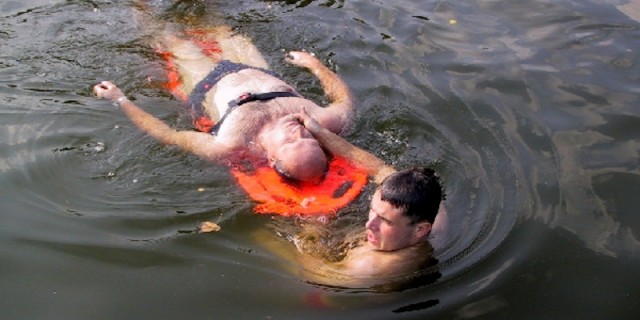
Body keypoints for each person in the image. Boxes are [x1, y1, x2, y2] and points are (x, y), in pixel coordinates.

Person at [93, 27, 354, 184]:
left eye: (289, 143)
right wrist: (314, 65)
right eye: (308, 139)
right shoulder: (321, 122)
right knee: (222, 29)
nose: (297, 132)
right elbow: (344, 100)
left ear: (271, 159)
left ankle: (140, 7)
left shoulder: (231, 145)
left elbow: (167, 135)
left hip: (206, 82)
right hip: (257, 69)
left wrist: (119, 98)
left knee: (169, 38)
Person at [258, 108, 445, 290]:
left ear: (421, 230)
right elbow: (379, 169)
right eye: (373, 211)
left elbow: (314, 274)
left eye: (386, 220)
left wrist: (312, 225)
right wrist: (320, 132)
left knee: (261, 235)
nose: (369, 224)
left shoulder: (370, 267)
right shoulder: (435, 212)